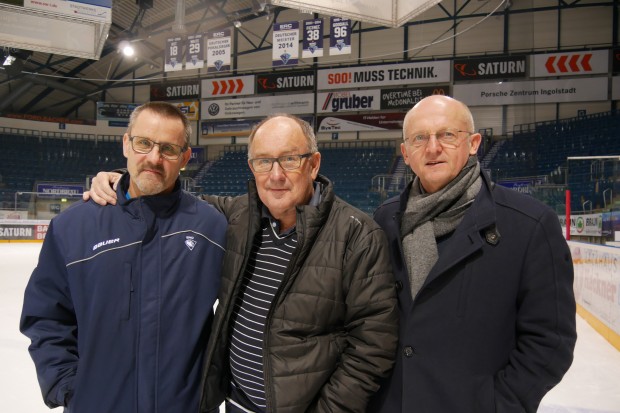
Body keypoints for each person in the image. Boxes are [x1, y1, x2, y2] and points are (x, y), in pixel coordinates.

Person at [85, 113, 399, 413]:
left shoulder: (358, 235)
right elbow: (170, 199)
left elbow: (372, 346)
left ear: (313, 164)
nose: (275, 175)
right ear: (251, 167)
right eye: (263, 162)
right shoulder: (236, 217)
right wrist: (122, 180)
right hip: (235, 405)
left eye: (289, 159)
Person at [369, 95, 577, 413]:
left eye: (447, 135)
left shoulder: (529, 224)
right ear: (406, 153)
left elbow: (550, 340)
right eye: (419, 138)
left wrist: (496, 405)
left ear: (473, 143)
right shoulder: (383, 221)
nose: (433, 147)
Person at [20, 102, 227, 413]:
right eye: (144, 143)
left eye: (169, 149)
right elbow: (47, 316)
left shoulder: (210, 227)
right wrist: (68, 386)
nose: (154, 158)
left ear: (185, 158)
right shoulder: (73, 227)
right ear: (126, 144)